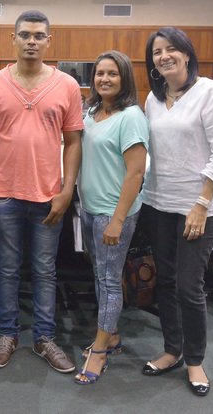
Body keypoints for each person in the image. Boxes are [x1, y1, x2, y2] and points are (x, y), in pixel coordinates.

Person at [0, 10, 83, 373]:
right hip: (4, 194)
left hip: (49, 196)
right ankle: (7, 334)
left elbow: (73, 143)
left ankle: (44, 338)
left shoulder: (67, 85)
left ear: (49, 41)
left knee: (45, 270)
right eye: (25, 35)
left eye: (38, 35)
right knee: (6, 269)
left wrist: (67, 191)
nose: (31, 41)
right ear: (14, 39)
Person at [140, 27, 213, 397]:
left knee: (188, 286)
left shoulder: (211, 93)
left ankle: (195, 360)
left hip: (199, 206)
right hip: (159, 201)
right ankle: (172, 350)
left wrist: (202, 204)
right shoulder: (153, 99)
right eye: (157, 51)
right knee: (164, 282)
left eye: (171, 49)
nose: (164, 56)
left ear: (187, 54)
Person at [74, 51, 149, 385]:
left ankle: (100, 351)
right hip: (90, 208)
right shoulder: (92, 112)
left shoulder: (131, 117)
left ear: (125, 78)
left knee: (108, 279)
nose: (104, 79)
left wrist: (118, 221)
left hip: (113, 212)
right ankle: (112, 334)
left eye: (112, 74)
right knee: (99, 274)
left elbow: (136, 173)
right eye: (100, 73)